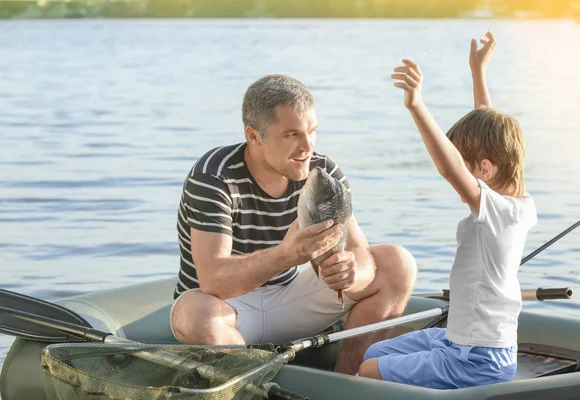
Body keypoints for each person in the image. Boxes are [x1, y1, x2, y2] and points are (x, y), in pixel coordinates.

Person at [169, 73, 418, 374]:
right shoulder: (214, 177)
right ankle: (253, 391)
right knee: (196, 313)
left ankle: (343, 385)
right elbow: (212, 281)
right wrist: (287, 255)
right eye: (291, 135)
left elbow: (361, 255)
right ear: (253, 135)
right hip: (228, 309)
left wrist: (353, 273)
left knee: (397, 263)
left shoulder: (324, 173)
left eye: (312, 131)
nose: (307, 146)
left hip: (289, 300)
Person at [358, 32, 538, 388]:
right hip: (460, 342)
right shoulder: (518, 202)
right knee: (372, 356)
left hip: (478, 360)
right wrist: (478, 73)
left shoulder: (497, 211)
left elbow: (449, 168)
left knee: (366, 373)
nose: (458, 180)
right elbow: (489, 131)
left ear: (485, 170)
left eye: (467, 166)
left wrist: (416, 106)